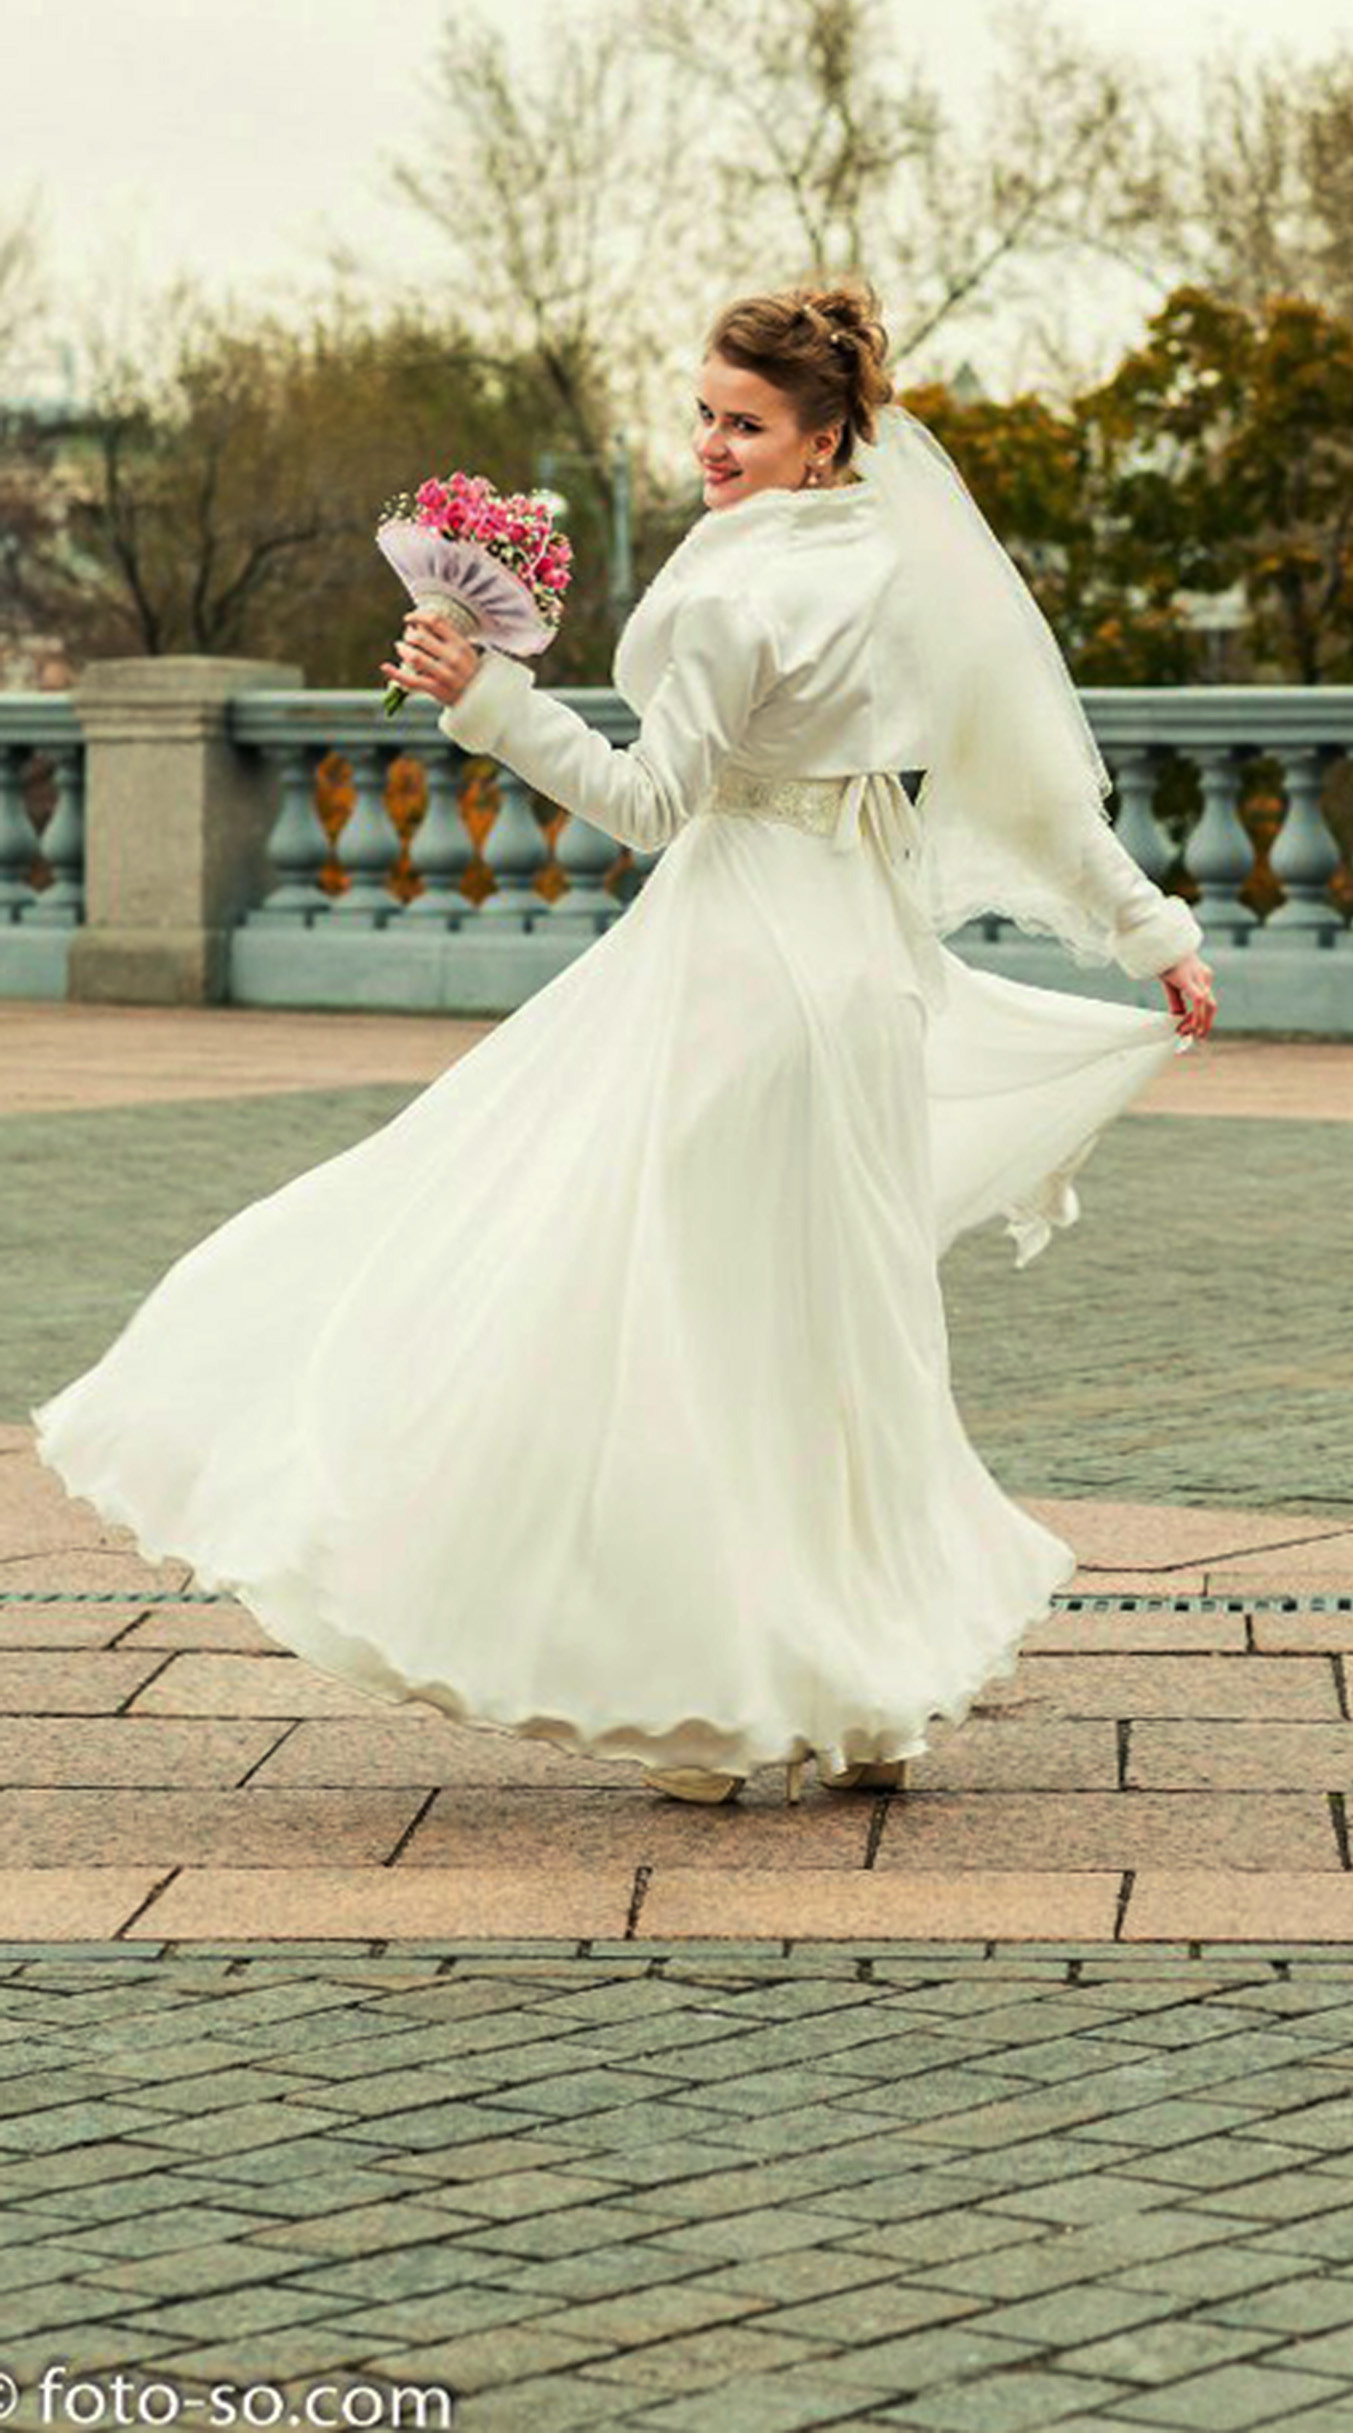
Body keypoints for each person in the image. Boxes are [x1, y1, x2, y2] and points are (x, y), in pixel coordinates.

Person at [30, 279, 1217, 1809]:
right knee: (844, 1332)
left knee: (683, 1319)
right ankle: (867, 1699)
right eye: (706, 416)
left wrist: (491, 702)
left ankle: (707, 1706)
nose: (711, 448)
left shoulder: (739, 593)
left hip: (740, 972)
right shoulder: (917, 565)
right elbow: (1044, 795)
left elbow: (655, 806)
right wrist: (1158, 939)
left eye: (744, 423)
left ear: (827, 430)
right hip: (862, 977)